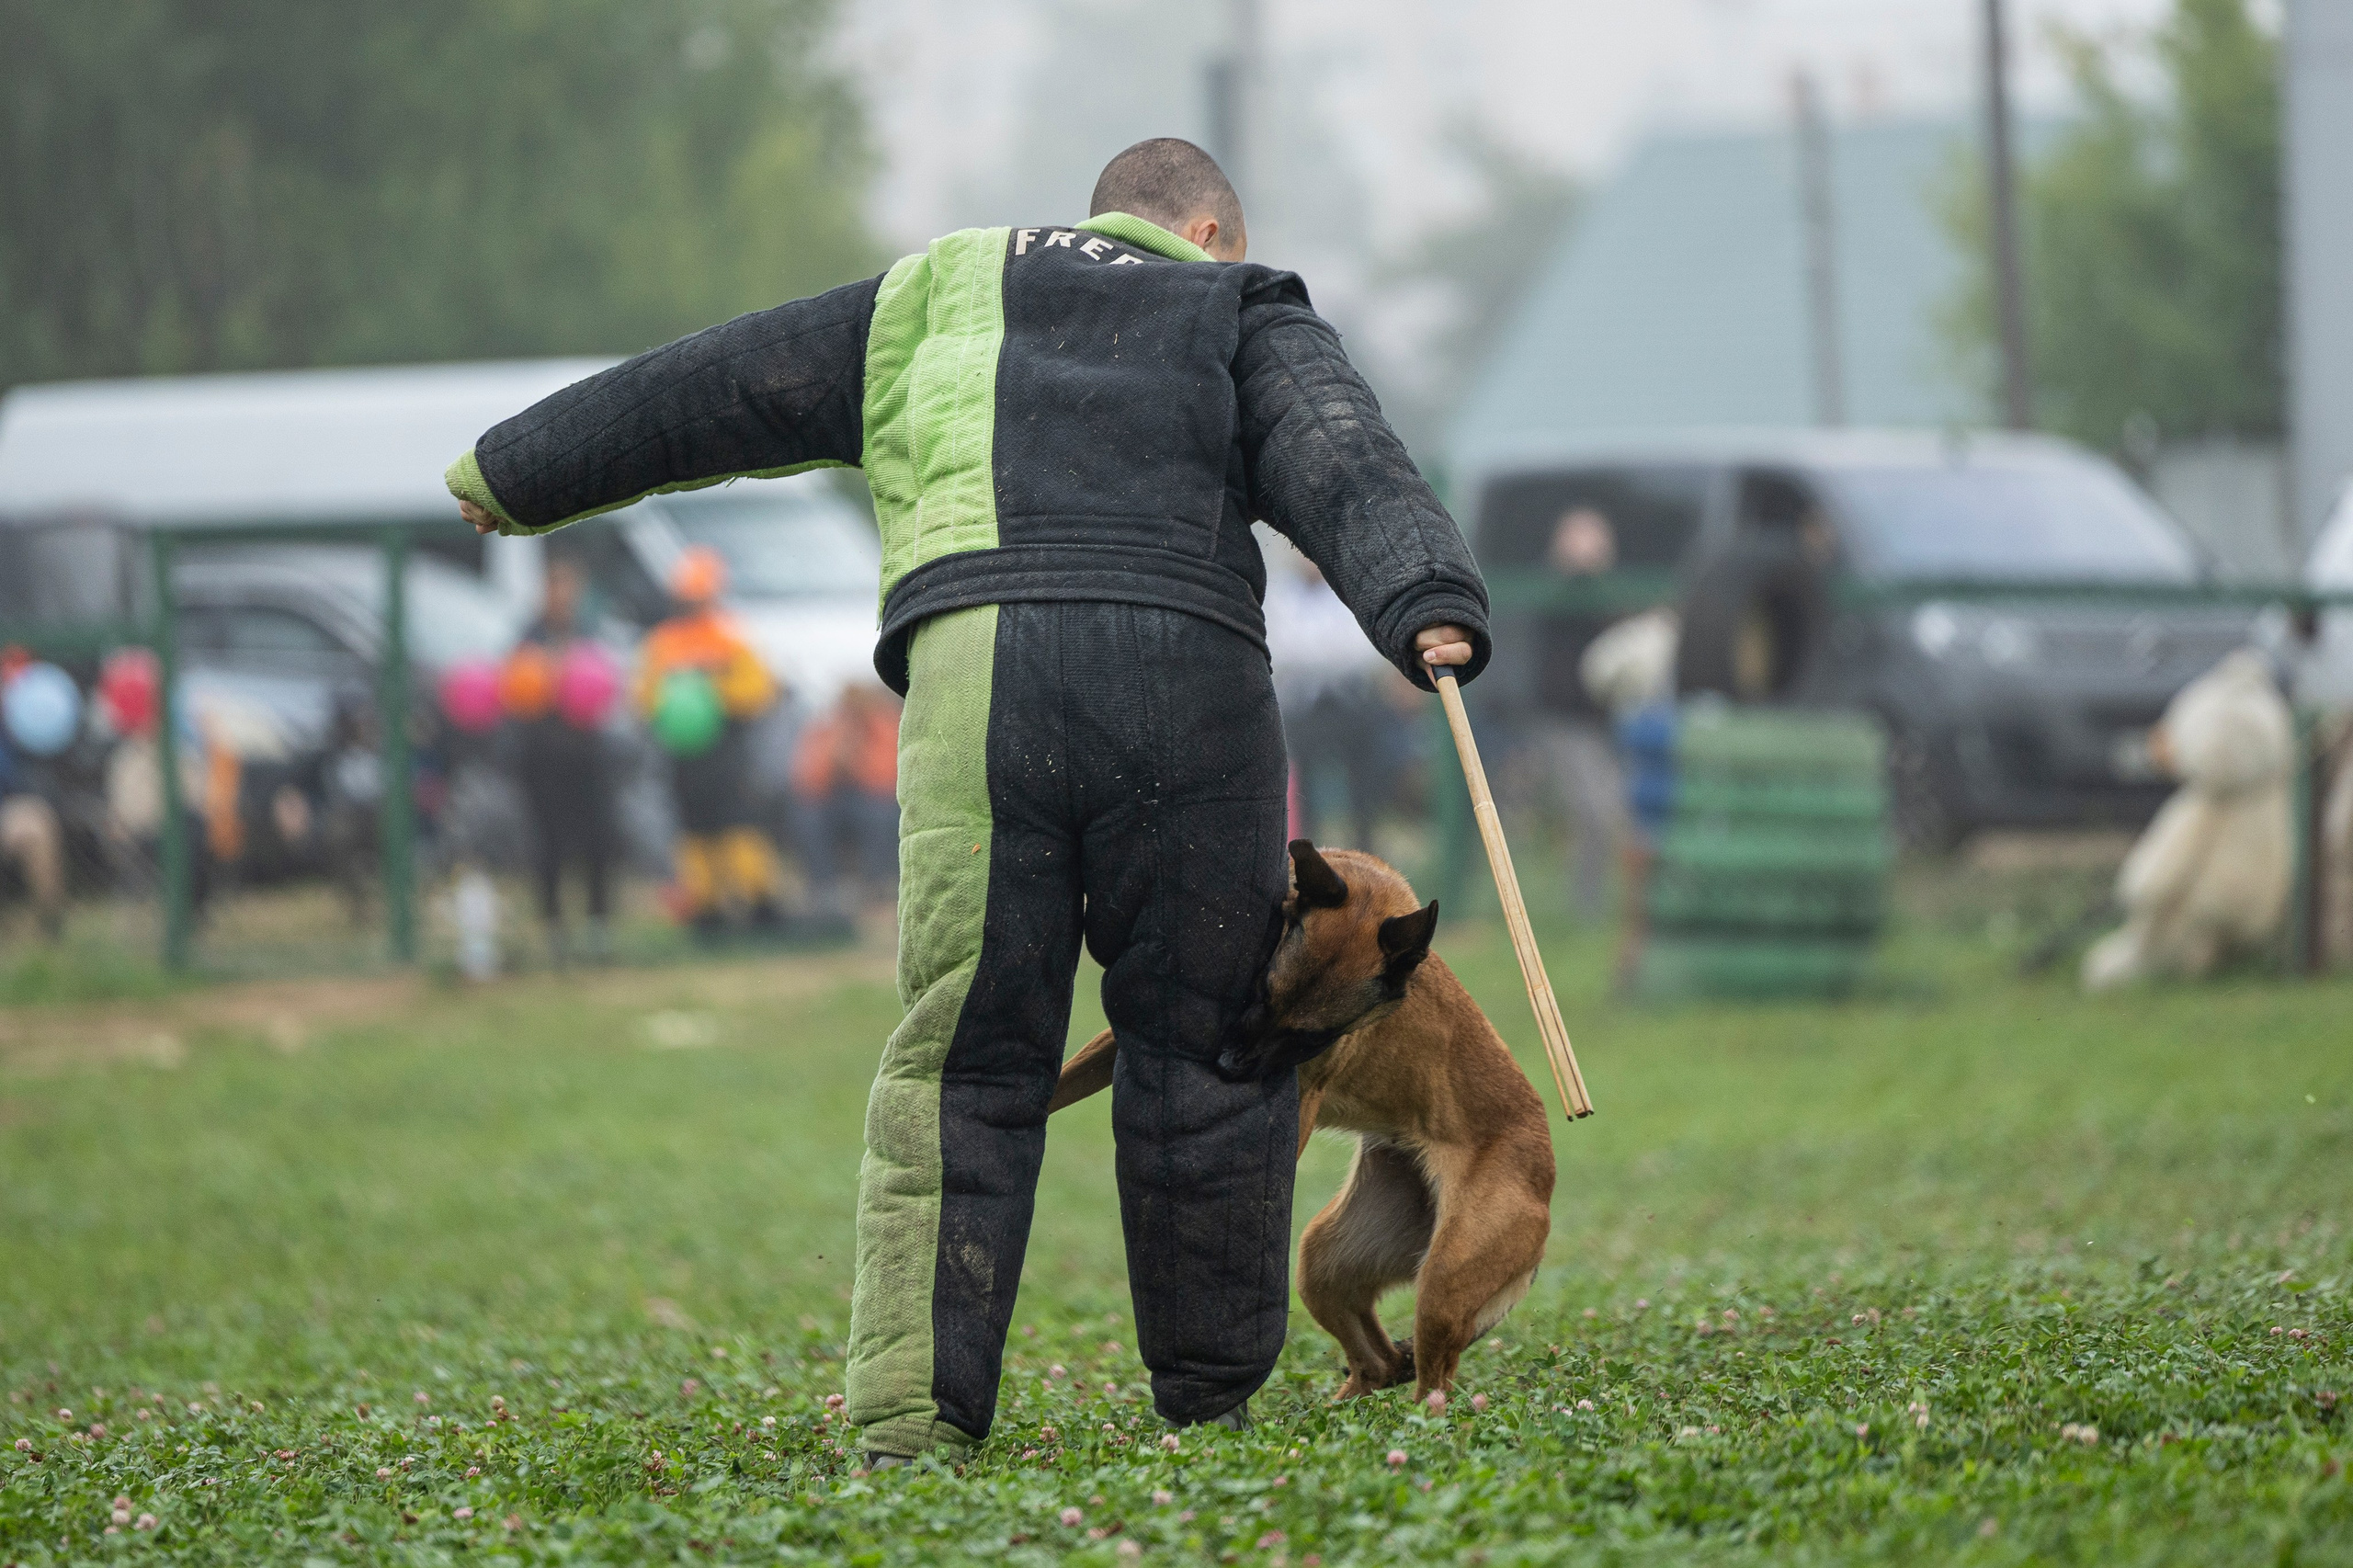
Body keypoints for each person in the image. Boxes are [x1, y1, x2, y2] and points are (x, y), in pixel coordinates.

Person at [447, 137, 1490, 1461]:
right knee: (1209, 1045)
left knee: (964, 1056)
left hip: (978, 688)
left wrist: (512, 470)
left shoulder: (934, 294)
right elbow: (1343, 454)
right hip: (1190, 692)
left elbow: (714, 385)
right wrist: (1424, 597)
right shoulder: (1236, 304)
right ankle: (1209, 1394)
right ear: (1209, 234)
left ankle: (912, 1414)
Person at [634, 548, 787, 937]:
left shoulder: (729, 637)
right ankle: (707, 907)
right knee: (696, 828)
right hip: (684, 753)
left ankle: (759, 902)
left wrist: (711, 692)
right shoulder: (664, 642)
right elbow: (644, 698)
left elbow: (759, 690)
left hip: (727, 749)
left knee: (738, 824)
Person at [513, 559, 619, 962]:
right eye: (556, 588)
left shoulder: (589, 635)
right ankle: (554, 929)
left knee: (598, 842)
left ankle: (597, 927)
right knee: (548, 845)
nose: (563, 597)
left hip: (587, 757)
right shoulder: (528, 639)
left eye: (570, 589)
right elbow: (517, 692)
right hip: (543, 759)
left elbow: (603, 688)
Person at [1529, 506, 1631, 921]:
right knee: (1594, 812)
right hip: (1564, 724)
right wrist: (1576, 568)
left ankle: (1597, 909)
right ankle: (1585, 910)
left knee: (1610, 814)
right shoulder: (1555, 591)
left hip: (1604, 724)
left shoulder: (1611, 595)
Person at [790, 681, 901, 918]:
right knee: (808, 819)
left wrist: (856, 760)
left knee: (881, 816)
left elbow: (887, 780)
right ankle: (824, 890)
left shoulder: (884, 726)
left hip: (872, 802)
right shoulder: (826, 729)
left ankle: (878, 885)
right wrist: (836, 753)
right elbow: (808, 782)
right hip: (833, 803)